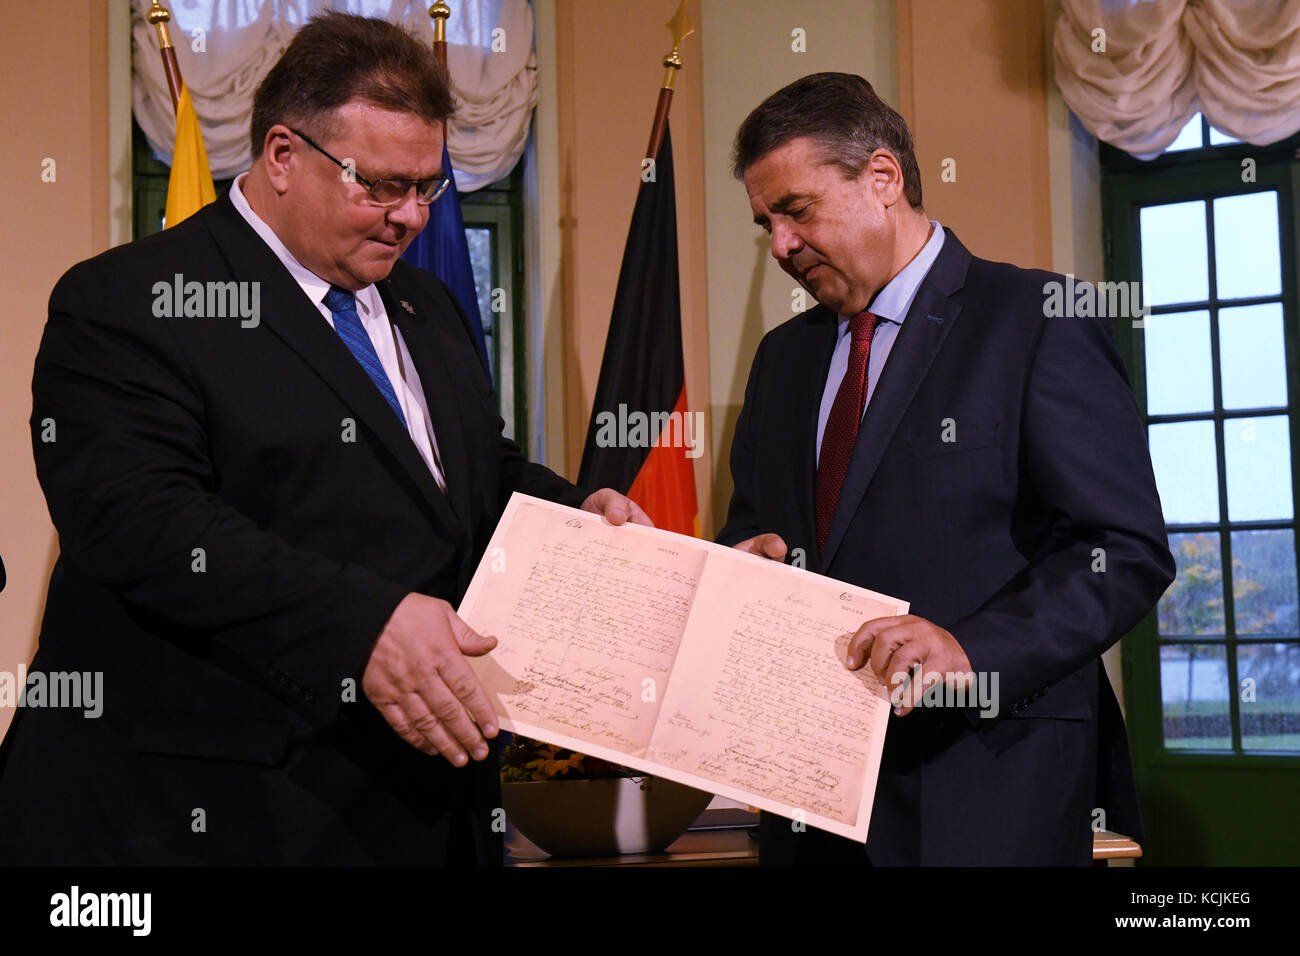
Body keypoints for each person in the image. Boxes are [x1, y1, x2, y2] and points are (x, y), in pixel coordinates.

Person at [0, 12, 647, 865]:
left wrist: (579, 515)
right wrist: (365, 624)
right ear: (280, 155)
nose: (409, 216)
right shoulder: (130, 300)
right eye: (380, 185)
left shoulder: (431, 308)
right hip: (207, 816)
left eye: (428, 187)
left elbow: (468, 482)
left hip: (418, 809)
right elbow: (140, 523)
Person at [718, 72, 1174, 865]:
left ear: (883, 178)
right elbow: (753, 523)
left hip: (988, 787)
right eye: (766, 224)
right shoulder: (781, 359)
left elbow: (1124, 550)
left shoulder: (1038, 320)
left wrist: (970, 650)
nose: (780, 245)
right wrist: (748, 556)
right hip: (811, 798)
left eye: (795, 211)